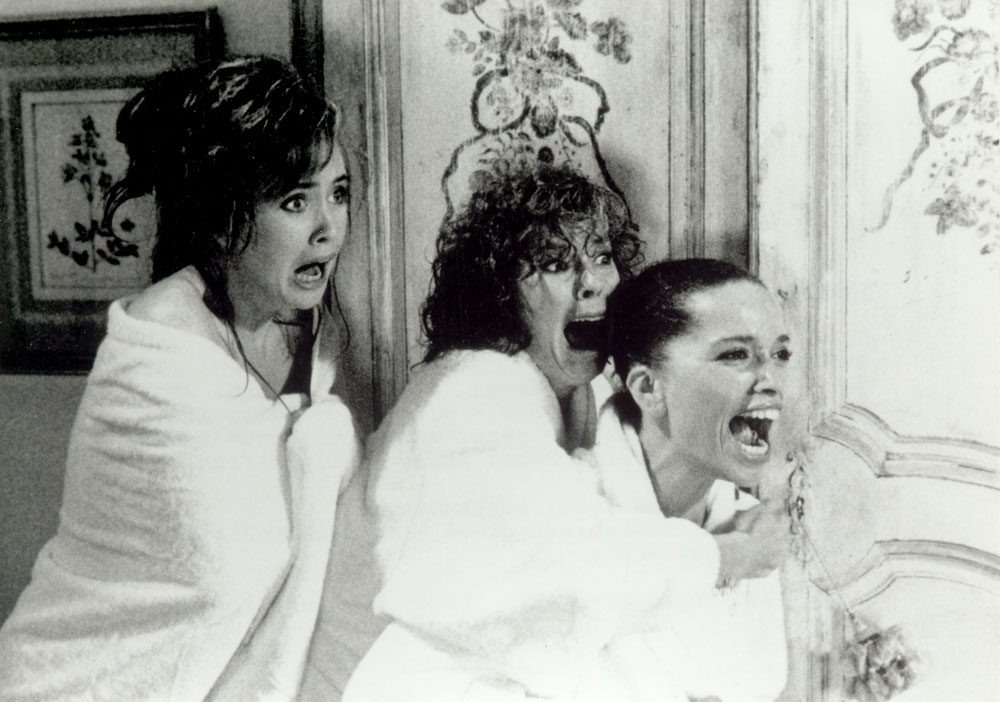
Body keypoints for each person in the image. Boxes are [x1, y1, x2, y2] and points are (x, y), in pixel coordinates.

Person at [341, 164, 789, 701]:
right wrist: (731, 556)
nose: (593, 282)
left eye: (601, 256)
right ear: (501, 294)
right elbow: (566, 566)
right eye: (556, 264)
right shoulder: (475, 391)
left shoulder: (578, 393)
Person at [0, 56, 360, 701]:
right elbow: (207, 578)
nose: (328, 230)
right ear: (223, 219)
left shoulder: (306, 329)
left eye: (338, 193)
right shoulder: (160, 348)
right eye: (294, 201)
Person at [589, 258, 796, 701]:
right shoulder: (570, 505)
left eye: (780, 355)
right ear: (648, 388)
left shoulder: (751, 528)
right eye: (736, 355)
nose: (771, 382)